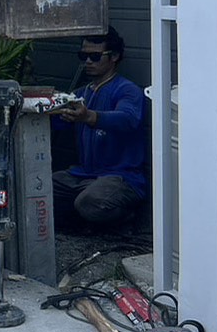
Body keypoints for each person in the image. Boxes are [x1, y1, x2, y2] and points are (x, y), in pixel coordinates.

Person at [52, 26, 148, 231]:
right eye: (83, 56)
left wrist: (90, 116)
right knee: (40, 188)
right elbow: (57, 123)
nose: (88, 61)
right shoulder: (81, 93)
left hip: (121, 177)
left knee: (90, 201)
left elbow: (128, 119)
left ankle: (125, 219)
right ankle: (83, 221)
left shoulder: (127, 90)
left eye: (95, 56)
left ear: (114, 56)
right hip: (84, 175)